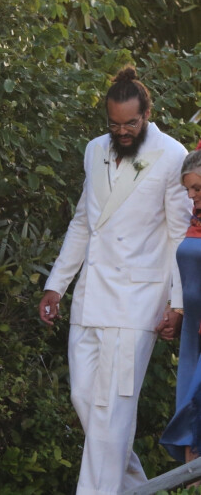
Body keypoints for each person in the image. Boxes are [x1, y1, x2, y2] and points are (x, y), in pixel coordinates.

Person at [38, 65, 191, 495]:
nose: (122, 131)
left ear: (147, 114)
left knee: (111, 414)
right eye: (114, 124)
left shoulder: (171, 154)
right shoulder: (93, 151)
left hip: (138, 302)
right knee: (86, 403)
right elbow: (83, 223)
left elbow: (180, 236)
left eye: (131, 123)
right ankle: (136, 490)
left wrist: (178, 306)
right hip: (90, 298)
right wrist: (57, 285)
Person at [160, 148, 201, 467]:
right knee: (190, 416)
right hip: (193, 336)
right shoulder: (195, 221)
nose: (191, 196)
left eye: (198, 188)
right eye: (188, 188)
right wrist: (177, 308)